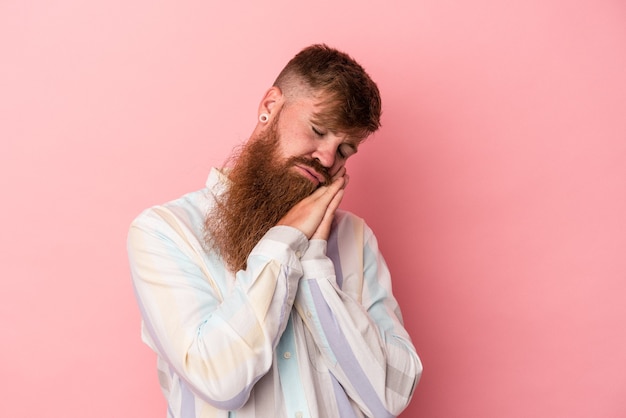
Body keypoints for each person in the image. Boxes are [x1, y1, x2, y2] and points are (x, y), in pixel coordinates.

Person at [127, 44, 422, 418]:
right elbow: (218, 380)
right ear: (269, 107)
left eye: (345, 150)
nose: (328, 159)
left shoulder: (356, 239)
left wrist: (314, 263)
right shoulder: (165, 232)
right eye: (317, 130)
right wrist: (284, 241)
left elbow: (389, 397)